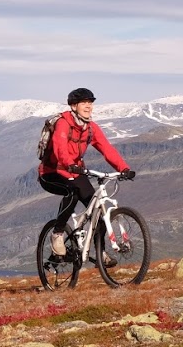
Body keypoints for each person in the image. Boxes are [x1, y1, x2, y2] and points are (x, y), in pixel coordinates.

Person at [37, 87, 135, 258]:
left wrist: (123, 168)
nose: (89, 106)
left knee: (97, 211)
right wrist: (69, 164)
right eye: (84, 103)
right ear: (73, 106)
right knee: (72, 192)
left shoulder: (91, 127)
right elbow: (60, 149)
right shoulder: (63, 123)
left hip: (75, 172)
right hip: (51, 173)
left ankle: (100, 252)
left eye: (90, 103)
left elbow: (107, 149)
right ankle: (57, 234)